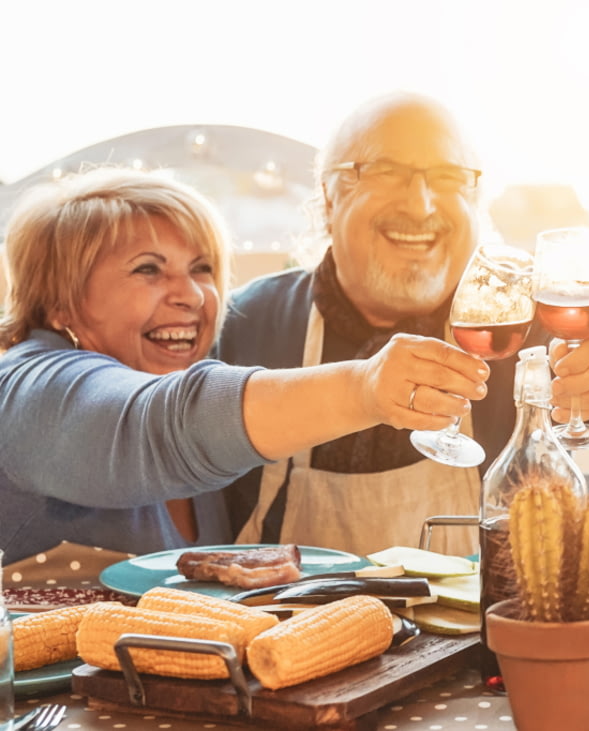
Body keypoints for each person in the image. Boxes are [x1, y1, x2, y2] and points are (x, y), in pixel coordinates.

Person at [213, 92, 589, 556]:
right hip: (290, 620)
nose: (421, 205)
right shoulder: (249, 321)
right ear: (329, 198)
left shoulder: (520, 310)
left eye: (448, 177)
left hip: (483, 623)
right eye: (386, 172)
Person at [0, 167, 489, 562]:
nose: (191, 295)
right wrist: (364, 387)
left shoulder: (193, 367)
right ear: (59, 303)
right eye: (148, 269)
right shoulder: (29, 390)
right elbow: (163, 422)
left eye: (202, 268)